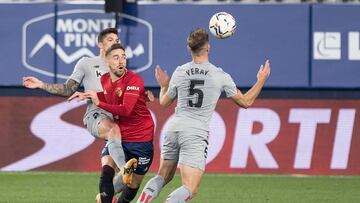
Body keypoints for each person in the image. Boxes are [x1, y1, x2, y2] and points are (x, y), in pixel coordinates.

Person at [137, 28, 271, 203]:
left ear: (189, 48)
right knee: (190, 188)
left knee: (163, 176)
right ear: (208, 47)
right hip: (195, 132)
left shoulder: (180, 71)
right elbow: (245, 102)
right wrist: (260, 81)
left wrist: (163, 85)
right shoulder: (219, 75)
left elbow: (164, 102)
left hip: (174, 128)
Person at [22, 28, 146, 203]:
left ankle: (105, 194)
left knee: (109, 168)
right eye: (111, 39)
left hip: (118, 116)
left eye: (117, 39)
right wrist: (41, 84)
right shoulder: (87, 63)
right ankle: (124, 168)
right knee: (113, 131)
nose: (115, 42)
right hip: (97, 115)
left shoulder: (120, 67)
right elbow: (68, 89)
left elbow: (129, 93)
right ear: (100, 44)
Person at [68, 43, 155, 203]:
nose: (121, 61)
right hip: (120, 136)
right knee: (106, 169)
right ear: (106, 62)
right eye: (116, 57)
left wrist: (98, 103)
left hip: (140, 139)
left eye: (123, 57)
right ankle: (115, 183)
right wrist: (88, 95)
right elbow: (106, 95)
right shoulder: (105, 79)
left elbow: (126, 109)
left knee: (132, 185)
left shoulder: (134, 80)